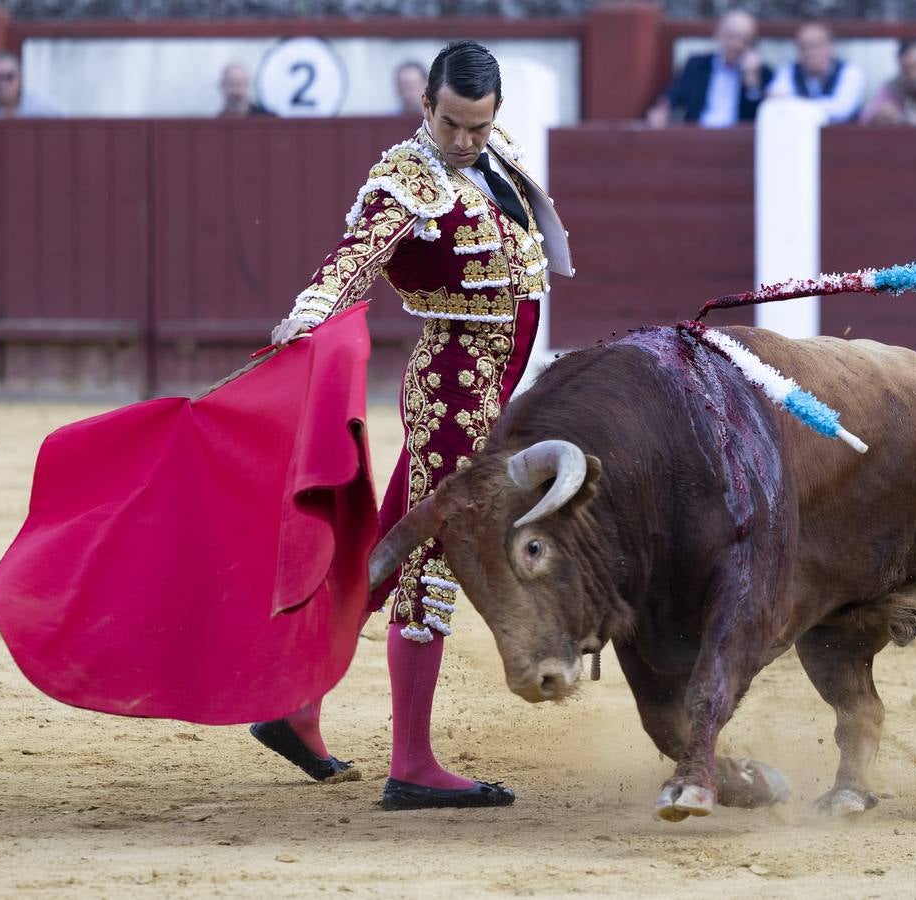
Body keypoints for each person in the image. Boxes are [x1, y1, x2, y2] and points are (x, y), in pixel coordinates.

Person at [259, 40, 572, 810]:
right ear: (424, 107)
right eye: (453, 124)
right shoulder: (404, 181)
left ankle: (296, 704)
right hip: (454, 394)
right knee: (430, 560)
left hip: (496, 389)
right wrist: (306, 317)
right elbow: (353, 256)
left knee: (390, 549)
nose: (466, 141)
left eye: (479, 125)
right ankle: (413, 763)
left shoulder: (491, 154)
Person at [646, 9, 773, 128]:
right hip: (699, 136)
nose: (734, 43)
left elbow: (759, 117)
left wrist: (751, 82)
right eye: (729, 35)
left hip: (738, 141)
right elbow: (675, 94)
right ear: (718, 34)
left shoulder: (762, 73)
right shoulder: (696, 65)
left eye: (741, 38)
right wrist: (662, 111)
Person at [766, 21, 865, 125]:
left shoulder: (850, 72)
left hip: (842, 139)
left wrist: (793, 104)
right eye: (803, 47)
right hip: (796, 138)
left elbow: (841, 110)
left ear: (829, 46)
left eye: (814, 46)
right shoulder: (788, 71)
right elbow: (775, 103)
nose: (809, 53)